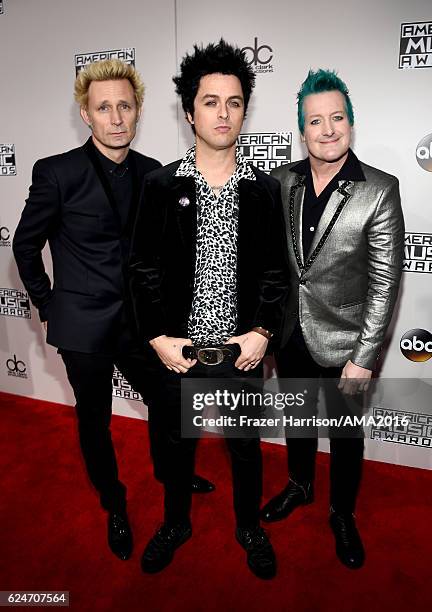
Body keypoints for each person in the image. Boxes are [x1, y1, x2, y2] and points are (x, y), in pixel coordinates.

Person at [13, 58, 213, 562]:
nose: (116, 117)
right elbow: (24, 246)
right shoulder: (56, 172)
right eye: (104, 107)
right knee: (94, 421)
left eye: (125, 105)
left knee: (171, 403)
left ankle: (173, 472)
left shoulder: (155, 174)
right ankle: (115, 504)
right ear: (86, 114)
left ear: (139, 110)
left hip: (144, 326)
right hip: (83, 327)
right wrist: (47, 304)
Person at [129, 39, 288, 579]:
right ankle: (175, 522)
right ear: (189, 110)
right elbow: (142, 268)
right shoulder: (158, 185)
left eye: (235, 101)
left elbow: (274, 272)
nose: (224, 113)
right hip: (179, 352)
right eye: (211, 101)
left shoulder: (264, 191)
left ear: (245, 109)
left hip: (240, 351)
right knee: (175, 447)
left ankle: (249, 526)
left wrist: (263, 331)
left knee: (245, 448)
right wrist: (157, 338)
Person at [260, 69, 405, 569]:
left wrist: (365, 358)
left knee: (345, 436)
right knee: (300, 423)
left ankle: (342, 513)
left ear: (351, 124)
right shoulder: (281, 181)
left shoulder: (380, 190)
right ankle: (299, 485)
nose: (327, 130)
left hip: (346, 343)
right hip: (291, 335)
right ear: (302, 129)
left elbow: (385, 283)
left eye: (337, 118)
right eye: (315, 120)